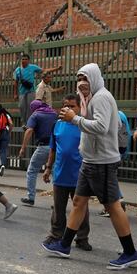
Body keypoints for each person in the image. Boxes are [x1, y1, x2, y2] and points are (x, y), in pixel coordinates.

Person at [42, 63, 137, 270]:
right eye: (79, 79)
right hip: (91, 161)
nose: (81, 83)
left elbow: (102, 127)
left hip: (102, 162)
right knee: (79, 201)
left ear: (94, 78)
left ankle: (130, 252)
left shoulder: (101, 98)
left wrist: (75, 118)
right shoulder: (92, 99)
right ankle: (64, 245)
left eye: (85, 78)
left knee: (112, 206)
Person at [42, 94, 91, 250]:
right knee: (58, 209)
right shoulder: (57, 125)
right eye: (65, 106)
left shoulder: (84, 125)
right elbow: (53, 149)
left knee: (81, 209)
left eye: (72, 106)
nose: (68, 109)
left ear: (79, 108)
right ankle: (56, 235)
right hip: (60, 174)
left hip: (80, 176)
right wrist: (48, 168)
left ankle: (82, 238)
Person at [18, 100, 58, 206]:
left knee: (32, 171)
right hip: (56, 148)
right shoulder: (54, 113)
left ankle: (30, 197)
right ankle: (57, 201)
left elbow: (29, 130)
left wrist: (23, 148)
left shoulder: (35, 115)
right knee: (55, 173)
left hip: (43, 147)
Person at [13, 54, 61, 125]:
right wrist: (15, 94)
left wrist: (57, 68)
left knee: (30, 107)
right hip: (22, 92)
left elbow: (44, 70)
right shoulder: (18, 70)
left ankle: (29, 123)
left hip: (31, 91)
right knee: (22, 107)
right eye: (23, 59)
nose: (24, 60)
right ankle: (23, 123)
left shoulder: (32, 67)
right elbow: (15, 82)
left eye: (26, 59)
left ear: (28, 60)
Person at [0, 104, 12, 176]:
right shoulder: (6, 114)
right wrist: (9, 132)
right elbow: (11, 124)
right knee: (3, 150)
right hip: (5, 132)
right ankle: (3, 165)